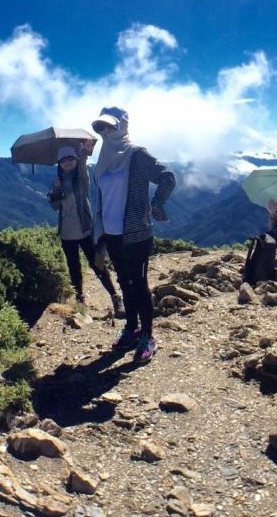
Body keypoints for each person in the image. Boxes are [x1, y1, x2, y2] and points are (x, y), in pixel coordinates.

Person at [91, 106, 175, 364]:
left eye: (109, 126)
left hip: (137, 233)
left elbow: (167, 177)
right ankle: (131, 328)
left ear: (123, 126)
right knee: (125, 282)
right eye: (100, 127)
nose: (104, 131)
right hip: (112, 233)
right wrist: (100, 237)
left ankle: (148, 336)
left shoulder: (136, 155)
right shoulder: (103, 158)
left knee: (139, 284)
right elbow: (102, 198)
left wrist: (156, 205)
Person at [48, 144, 125, 318]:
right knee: (73, 266)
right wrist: (57, 189)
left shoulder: (82, 177)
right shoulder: (56, 180)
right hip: (67, 232)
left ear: (75, 160)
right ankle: (80, 299)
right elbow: (54, 207)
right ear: (59, 163)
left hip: (85, 229)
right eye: (63, 159)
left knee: (97, 264)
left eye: (70, 158)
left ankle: (115, 297)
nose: (67, 162)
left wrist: (83, 153)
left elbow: (82, 166)